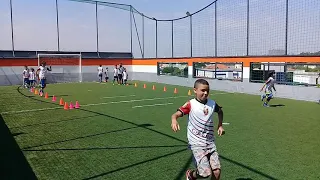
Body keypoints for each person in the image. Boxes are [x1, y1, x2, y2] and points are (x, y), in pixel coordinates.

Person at [171, 79, 225, 180]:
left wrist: (220, 125)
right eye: (203, 90)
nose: (205, 93)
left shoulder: (212, 103)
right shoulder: (190, 104)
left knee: (217, 172)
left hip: (210, 142)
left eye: (207, 91)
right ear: (195, 90)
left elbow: (220, 112)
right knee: (205, 173)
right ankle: (191, 175)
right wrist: (174, 120)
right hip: (196, 143)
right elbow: (176, 114)